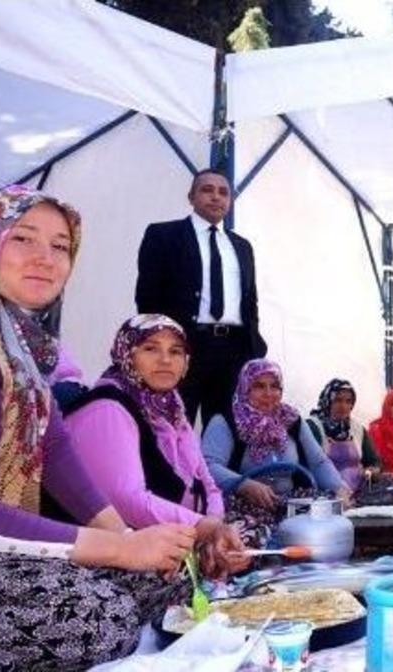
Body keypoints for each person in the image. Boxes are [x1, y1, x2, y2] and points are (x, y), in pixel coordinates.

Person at [0, 185, 204, 670]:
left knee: (165, 579)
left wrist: (132, 543)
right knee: (94, 617)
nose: (46, 259)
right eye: (22, 239)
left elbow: (54, 450)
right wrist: (121, 549)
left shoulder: (13, 340)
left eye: (60, 246)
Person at [61, 315, 245, 576]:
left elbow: (207, 483)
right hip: (111, 550)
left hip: (172, 534)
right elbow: (126, 500)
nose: (166, 360)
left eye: (176, 351)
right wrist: (204, 529)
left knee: (245, 543)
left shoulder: (171, 409)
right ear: (127, 354)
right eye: (150, 348)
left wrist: (215, 528)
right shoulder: (107, 408)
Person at [135, 168, 267, 426]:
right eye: (207, 190)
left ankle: (213, 469)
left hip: (233, 351)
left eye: (223, 192)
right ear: (191, 196)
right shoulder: (164, 235)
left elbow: (250, 301)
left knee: (225, 430)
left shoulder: (242, 246)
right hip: (183, 347)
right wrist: (162, 346)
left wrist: (254, 348)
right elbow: (147, 296)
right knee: (171, 424)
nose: (216, 197)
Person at [202, 359, 350, 508]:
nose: (268, 393)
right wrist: (242, 484)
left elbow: (318, 462)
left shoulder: (291, 420)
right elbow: (207, 466)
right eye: (259, 386)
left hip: (291, 505)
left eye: (274, 386)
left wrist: (338, 488)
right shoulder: (226, 422)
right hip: (240, 506)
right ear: (245, 388)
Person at [306, 378, 386, 492]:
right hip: (325, 493)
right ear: (327, 400)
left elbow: (374, 461)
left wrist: (372, 471)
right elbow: (311, 465)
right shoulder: (313, 427)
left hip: (359, 491)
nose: (343, 406)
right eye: (338, 400)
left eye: (348, 401)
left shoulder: (357, 429)